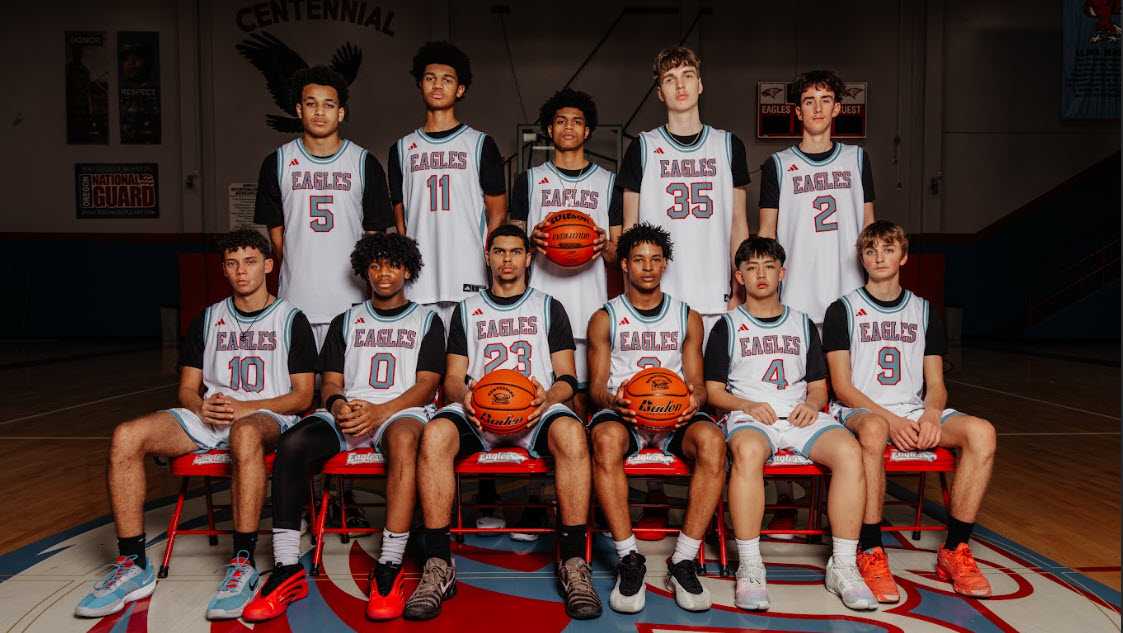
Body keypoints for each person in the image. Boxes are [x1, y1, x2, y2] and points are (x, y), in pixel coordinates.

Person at [74, 230, 316, 620]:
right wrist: (202, 407)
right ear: (224, 270)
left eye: (250, 262)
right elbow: (187, 389)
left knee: (245, 432)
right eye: (232, 264)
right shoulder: (208, 318)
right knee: (126, 436)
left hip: (266, 417)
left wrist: (246, 408)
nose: (241, 271)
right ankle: (133, 564)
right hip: (211, 417)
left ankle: (242, 562)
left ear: (269, 266)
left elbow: (302, 397)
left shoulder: (291, 320)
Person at [242, 233, 444, 622]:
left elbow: (426, 385)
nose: (383, 274)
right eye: (375, 266)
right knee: (293, 443)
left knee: (405, 441)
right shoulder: (346, 320)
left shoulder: (427, 320)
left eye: (392, 265)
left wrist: (381, 412)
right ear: (364, 272)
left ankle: (389, 565)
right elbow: (331, 383)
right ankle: (286, 567)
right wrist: (338, 406)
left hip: (400, 411)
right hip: (349, 410)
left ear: (407, 271)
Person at [404, 225, 601, 621]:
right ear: (488, 256)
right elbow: (453, 378)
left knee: (571, 433)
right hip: (480, 409)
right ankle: (438, 564)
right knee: (436, 434)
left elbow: (567, 377)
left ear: (528, 258)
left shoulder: (548, 306)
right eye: (499, 251)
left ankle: (574, 561)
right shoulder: (466, 310)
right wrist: (465, 397)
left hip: (534, 409)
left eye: (515, 252)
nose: (507, 259)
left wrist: (547, 398)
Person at [825, 220, 997, 601]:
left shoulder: (923, 311)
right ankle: (871, 549)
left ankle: (955, 549)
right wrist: (890, 421)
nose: (879, 257)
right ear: (862, 259)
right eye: (871, 251)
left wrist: (932, 414)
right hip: (859, 411)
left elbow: (936, 383)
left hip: (913, 409)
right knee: (874, 429)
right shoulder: (843, 310)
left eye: (888, 250)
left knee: (982, 432)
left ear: (903, 257)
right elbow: (843, 387)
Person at [705, 236, 876, 611]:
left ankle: (843, 566)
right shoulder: (727, 326)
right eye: (751, 268)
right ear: (739, 277)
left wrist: (812, 404)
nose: (761, 274)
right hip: (751, 416)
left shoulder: (802, 323)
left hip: (800, 415)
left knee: (850, 452)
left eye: (769, 266)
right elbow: (713, 392)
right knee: (748, 452)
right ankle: (751, 566)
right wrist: (747, 404)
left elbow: (818, 386)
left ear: (781, 273)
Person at [757, 68, 877, 537]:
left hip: (848, 298)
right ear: (796, 111)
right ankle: (787, 498)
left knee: (847, 398)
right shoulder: (778, 164)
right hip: (796, 299)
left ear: (839, 108)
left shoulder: (857, 159)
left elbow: (869, 230)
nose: (818, 108)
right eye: (809, 100)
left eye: (826, 99)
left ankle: (845, 499)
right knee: (789, 398)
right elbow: (767, 233)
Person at [586, 222, 727, 613]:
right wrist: (616, 402)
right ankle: (629, 558)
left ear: (665, 264)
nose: (647, 267)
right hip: (625, 413)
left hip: (674, 415)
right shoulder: (605, 317)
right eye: (638, 260)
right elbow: (595, 388)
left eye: (655, 259)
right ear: (625, 265)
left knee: (713, 443)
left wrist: (693, 402)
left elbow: (698, 385)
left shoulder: (687, 317)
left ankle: (683, 559)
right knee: (605, 440)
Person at [253, 66, 393, 350]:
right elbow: (277, 236)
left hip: (350, 299)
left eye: (328, 105)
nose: (319, 112)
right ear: (298, 110)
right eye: (311, 104)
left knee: (343, 378)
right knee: (299, 378)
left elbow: (374, 235)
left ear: (340, 113)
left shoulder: (364, 163)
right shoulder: (277, 162)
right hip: (296, 297)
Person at [619, 46, 751, 328]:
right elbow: (630, 228)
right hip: (657, 296)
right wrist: (629, 290)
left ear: (700, 85)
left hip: (716, 293)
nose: (680, 85)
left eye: (688, 76)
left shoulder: (728, 145)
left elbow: (739, 223)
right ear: (660, 92)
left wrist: (740, 288)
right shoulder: (643, 147)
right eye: (670, 79)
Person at [389, 41, 507, 330]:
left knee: (465, 354)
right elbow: (400, 217)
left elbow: (497, 212)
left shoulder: (480, 144)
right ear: (420, 85)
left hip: (468, 268)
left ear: (460, 89)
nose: (438, 85)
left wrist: (486, 257)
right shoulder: (401, 149)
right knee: (422, 354)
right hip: (420, 274)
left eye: (447, 79)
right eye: (430, 78)